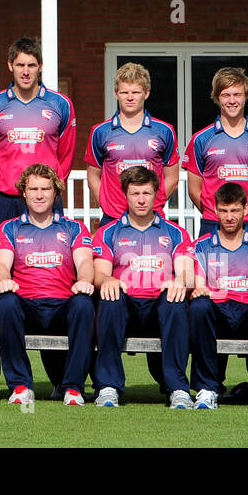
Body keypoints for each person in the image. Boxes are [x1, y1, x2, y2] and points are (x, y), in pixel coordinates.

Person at [0, 164, 96, 407]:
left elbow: (85, 262)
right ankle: (20, 386)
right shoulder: (9, 228)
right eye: (34, 189)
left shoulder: (73, 228)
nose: (39, 195)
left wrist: (84, 280)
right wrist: (3, 279)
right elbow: (0, 264)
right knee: (6, 303)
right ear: (24, 193)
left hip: (62, 305)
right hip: (26, 304)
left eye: (46, 189)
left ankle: (72, 388)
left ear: (55, 193)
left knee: (84, 305)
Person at [92, 165, 193, 408]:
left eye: (146, 193)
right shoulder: (108, 232)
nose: (140, 200)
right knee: (109, 298)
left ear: (156, 195)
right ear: (125, 195)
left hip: (158, 304)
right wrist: (107, 280)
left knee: (175, 300)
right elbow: (99, 273)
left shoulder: (175, 232)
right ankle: (108, 387)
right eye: (135, 193)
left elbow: (187, 272)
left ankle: (177, 388)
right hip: (125, 303)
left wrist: (180, 280)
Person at [188, 182, 248, 411]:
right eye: (223, 210)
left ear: (245, 210)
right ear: (215, 210)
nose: (229, 217)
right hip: (218, 314)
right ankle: (208, 389)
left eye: (234, 210)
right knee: (199, 305)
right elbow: (199, 286)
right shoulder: (201, 246)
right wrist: (200, 290)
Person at [0, 36, 76, 235]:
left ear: (40, 66)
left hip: (45, 197)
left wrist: (52, 185)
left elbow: (66, 153)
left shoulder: (60, 104)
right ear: (10, 65)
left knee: (50, 259)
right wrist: (5, 179)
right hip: (7, 197)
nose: (25, 72)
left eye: (31, 65)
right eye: (20, 65)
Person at [184, 67, 248, 237]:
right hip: (214, 223)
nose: (232, 100)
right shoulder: (201, 139)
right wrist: (218, 214)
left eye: (237, 95)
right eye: (226, 95)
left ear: (245, 96)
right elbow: (194, 190)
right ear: (217, 97)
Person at [85, 62, 179, 225]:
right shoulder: (100, 131)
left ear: (146, 93)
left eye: (136, 92)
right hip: (113, 217)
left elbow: (172, 177)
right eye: (124, 92)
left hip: (152, 216)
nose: (130, 97)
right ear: (116, 93)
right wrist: (107, 204)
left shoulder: (164, 130)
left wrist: (154, 201)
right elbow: (93, 175)